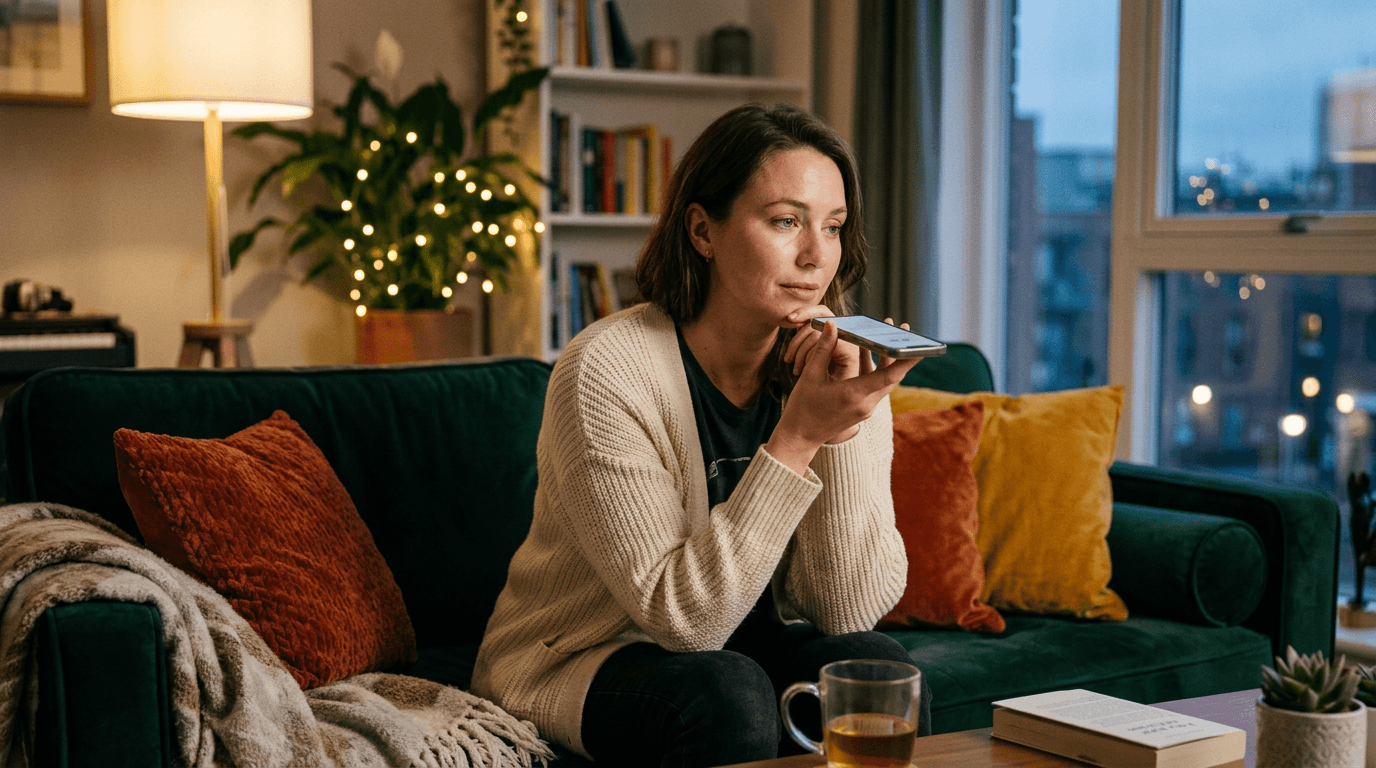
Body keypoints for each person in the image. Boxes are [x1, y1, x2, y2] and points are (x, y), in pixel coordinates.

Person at [472, 103, 930, 767]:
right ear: (702, 230)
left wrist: (846, 425)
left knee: (877, 669)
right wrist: (799, 434)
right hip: (581, 657)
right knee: (725, 693)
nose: (815, 255)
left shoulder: (837, 364)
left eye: (832, 228)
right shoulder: (608, 368)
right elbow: (684, 622)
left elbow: (846, 608)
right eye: (785, 221)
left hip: (741, 645)